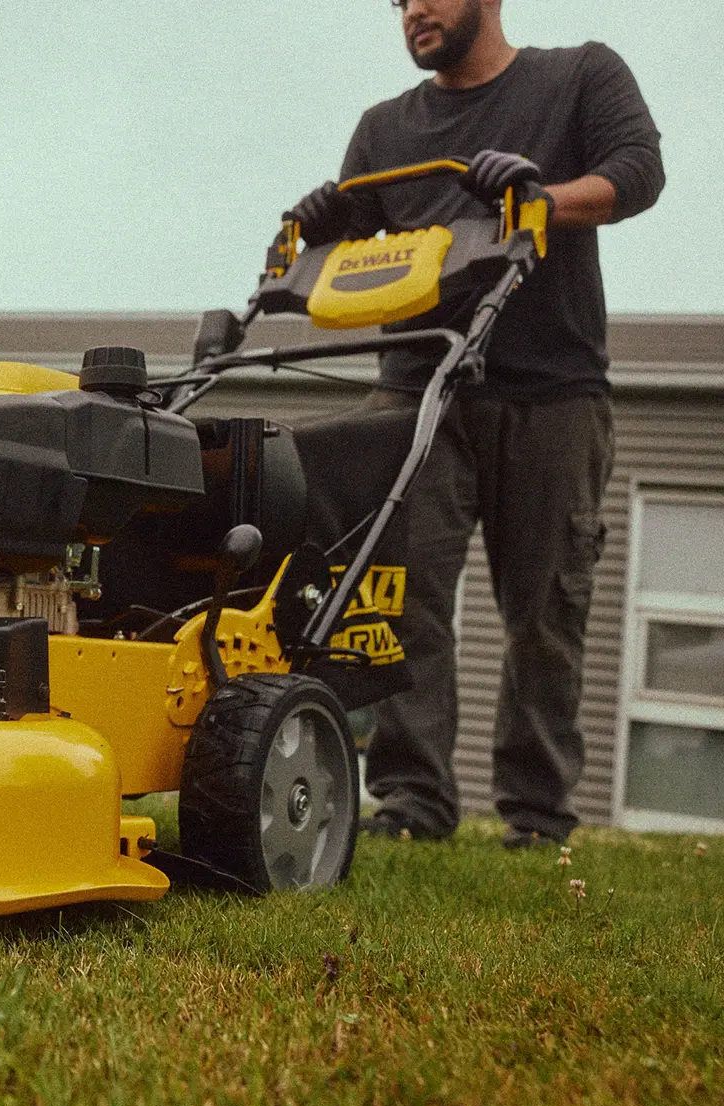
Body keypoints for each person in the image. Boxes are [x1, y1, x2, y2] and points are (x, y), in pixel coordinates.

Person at [284, 0, 664, 847]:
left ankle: (536, 816)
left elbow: (636, 172)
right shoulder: (383, 130)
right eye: (398, 1)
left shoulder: (577, 76)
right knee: (407, 601)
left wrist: (538, 195)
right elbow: (348, 263)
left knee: (546, 609)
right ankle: (414, 803)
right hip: (421, 386)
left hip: (553, 388)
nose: (412, 9)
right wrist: (325, 227)